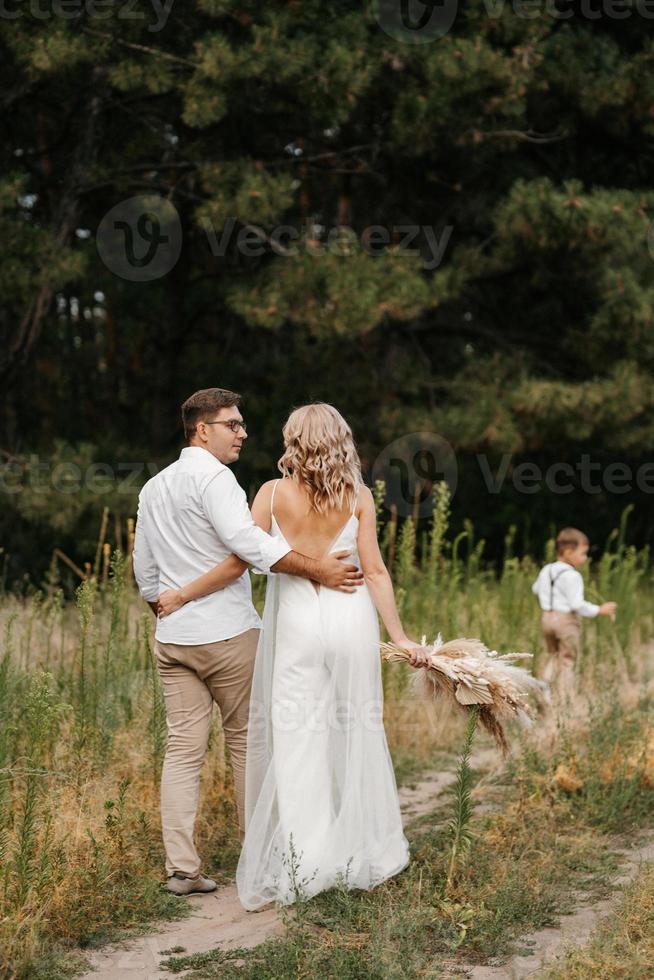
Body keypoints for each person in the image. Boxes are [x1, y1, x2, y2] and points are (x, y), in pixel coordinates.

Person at [158, 403, 428, 909]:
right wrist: (401, 636)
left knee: (298, 740)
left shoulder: (271, 493)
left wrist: (183, 592)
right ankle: (364, 852)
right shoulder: (360, 495)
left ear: (293, 441)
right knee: (357, 732)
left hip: (299, 627)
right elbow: (375, 572)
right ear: (341, 439)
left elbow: (242, 560)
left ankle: (307, 861)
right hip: (350, 620)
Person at [133, 388, 369, 897]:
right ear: (203, 430)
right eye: (232, 425)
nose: (243, 433)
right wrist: (318, 570)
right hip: (228, 634)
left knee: (182, 751)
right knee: (248, 743)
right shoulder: (217, 480)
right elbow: (251, 549)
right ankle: (258, 858)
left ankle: (182, 869)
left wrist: (166, 604)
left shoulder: (154, 487)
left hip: (173, 640)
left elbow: (144, 570)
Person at [531, 527, 617, 697]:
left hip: (547, 617)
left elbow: (535, 589)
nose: (585, 558)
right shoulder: (573, 576)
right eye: (583, 553)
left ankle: (544, 686)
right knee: (568, 660)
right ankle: (565, 697)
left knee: (554, 655)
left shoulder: (547, 569)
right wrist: (599, 609)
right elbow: (576, 604)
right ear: (569, 552)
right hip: (566, 621)